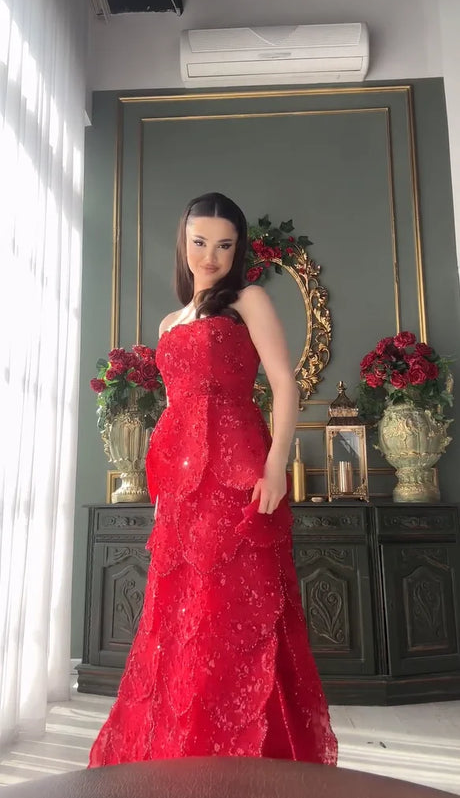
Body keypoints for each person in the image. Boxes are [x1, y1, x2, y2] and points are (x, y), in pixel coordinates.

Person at [88, 192, 338, 767]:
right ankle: (181, 755)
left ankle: (250, 759)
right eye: (200, 242)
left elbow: (284, 384)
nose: (210, 255)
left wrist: (277, 465)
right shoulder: (169, 322)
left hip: (240, 476)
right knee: (182, 614)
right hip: (180, 488)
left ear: (238, 249)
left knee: (237, 612)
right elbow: (174, 407)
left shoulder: (248, 299)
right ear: (184, 242)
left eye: (224, 245)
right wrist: (162, 493)